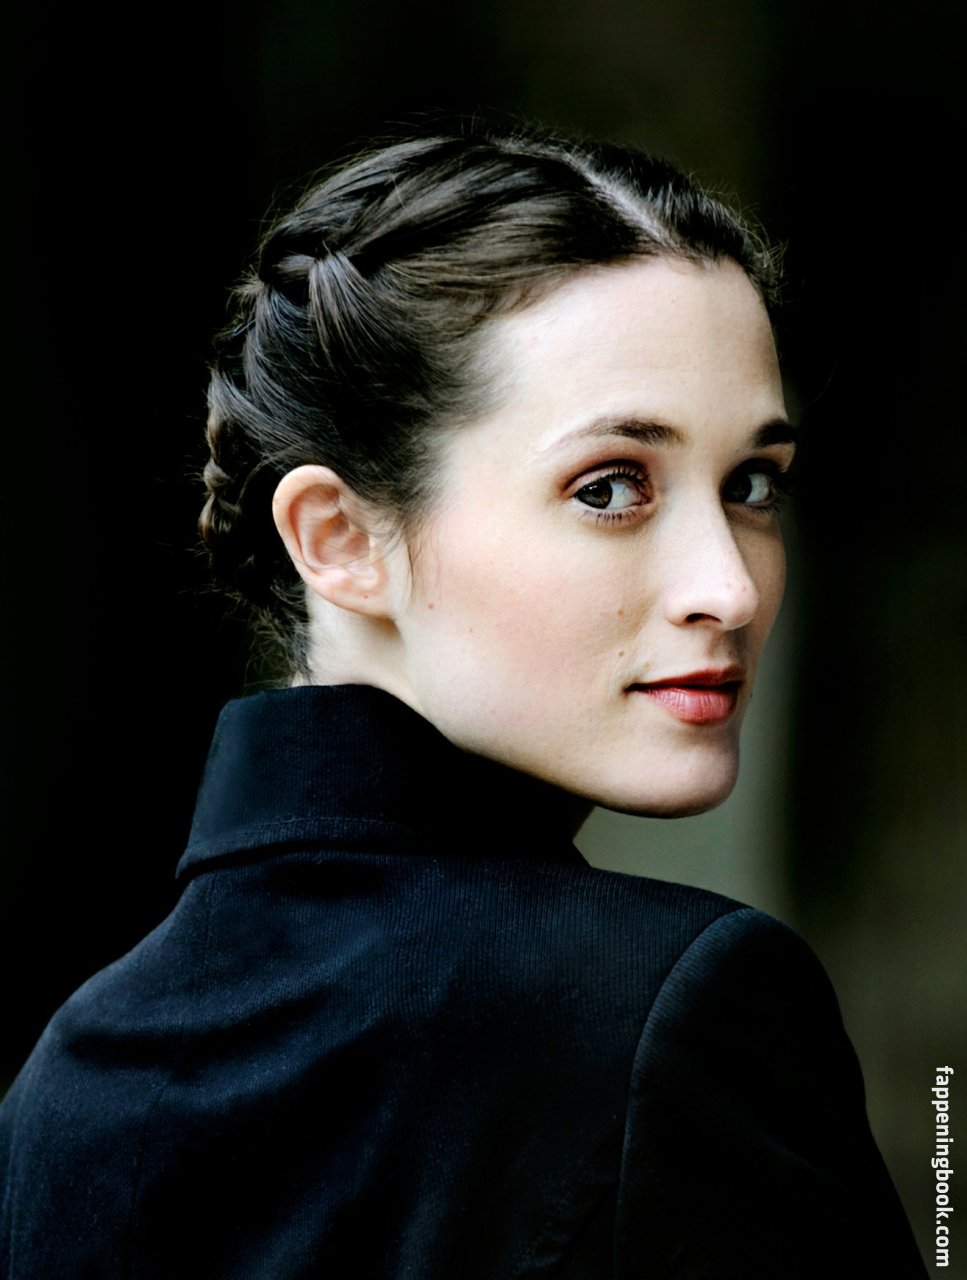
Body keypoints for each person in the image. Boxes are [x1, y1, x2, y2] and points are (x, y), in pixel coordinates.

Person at [0, 123, 926, 1278]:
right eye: (610, 487)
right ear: (339, 538)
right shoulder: (677, 1006)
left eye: (751, 483)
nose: (729, 588)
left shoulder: (68, 1080)